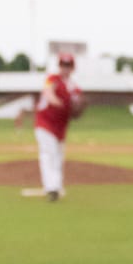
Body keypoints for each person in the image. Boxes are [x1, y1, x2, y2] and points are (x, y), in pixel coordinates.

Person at [34, 51, 82, 201]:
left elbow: (78, 105)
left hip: (60, 127)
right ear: (59, 66)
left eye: (68, 65)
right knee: (49, 154)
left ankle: (56, 186)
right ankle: (52, 188)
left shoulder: (74, 87)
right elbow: (48, 92)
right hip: (45, 123)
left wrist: (78, 109)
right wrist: (56, 101)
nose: (65, 68)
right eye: (63, 65)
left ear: (73, 67)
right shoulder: (52, 79)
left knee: (58, 157)